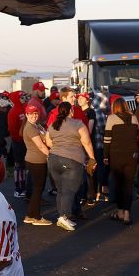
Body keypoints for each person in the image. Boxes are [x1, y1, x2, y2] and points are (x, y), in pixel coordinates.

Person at [45, 87, 95, 231]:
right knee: (69, 190)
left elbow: (48, 142)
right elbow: (87, 142)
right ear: (71, 111)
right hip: (72, 159)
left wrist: (60, 146)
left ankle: (62, 216)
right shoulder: (78, 123)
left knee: (61, 190)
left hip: (53, 158)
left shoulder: (54, 125)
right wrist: (92, 158)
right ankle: (63, 217)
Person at [103, 95, 139, 226]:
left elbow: (107, 139)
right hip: (132, 155)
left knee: (118, 184)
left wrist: (105, 156)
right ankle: (127, 213)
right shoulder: (134, 118)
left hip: (116, 155)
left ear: (114, 107)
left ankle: (119, 212)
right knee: (128, 185)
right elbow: (137, 136)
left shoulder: (111, 118)